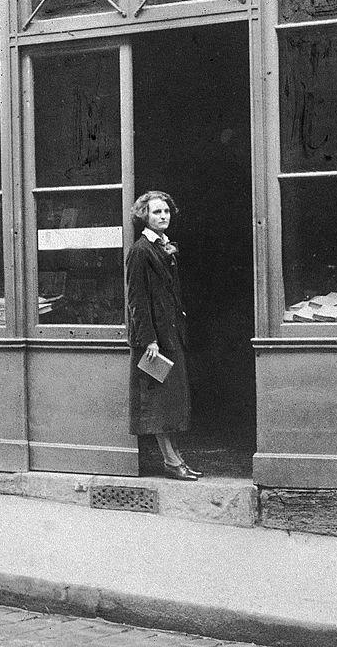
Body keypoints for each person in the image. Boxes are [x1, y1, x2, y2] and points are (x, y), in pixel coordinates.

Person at [126, 191, 202, 481]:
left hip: (170, 337)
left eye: (166, 211)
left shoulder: (162, 246)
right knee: (158, 404)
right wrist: (149, 341)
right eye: (157, 212)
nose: (163, 216)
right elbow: (137, 300)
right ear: (144, 215)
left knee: (170, 402)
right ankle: (171, 462)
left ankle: (175, 458)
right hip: (154, 342)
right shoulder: (141, 251)